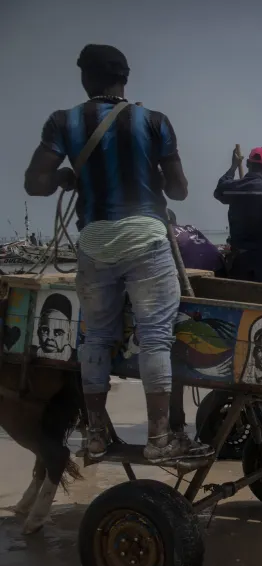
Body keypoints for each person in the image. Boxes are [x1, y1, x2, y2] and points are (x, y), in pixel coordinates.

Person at [23, 44, 191, 461]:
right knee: (154, 336)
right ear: (126, 78)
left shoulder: (63, 122)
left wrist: (65, 175)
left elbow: (34, 182)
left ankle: (95, 436)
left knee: (95, 336)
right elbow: (179, 190)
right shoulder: (153, 121)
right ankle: (159, 438)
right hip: (145, 238)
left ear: (85, 79)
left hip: (94, 241)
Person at [214, 146, 262, 284]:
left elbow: (219, 190)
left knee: (243, 300)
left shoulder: (234, 189)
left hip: (239, 261)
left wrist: (233, 166)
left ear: (247, 164)